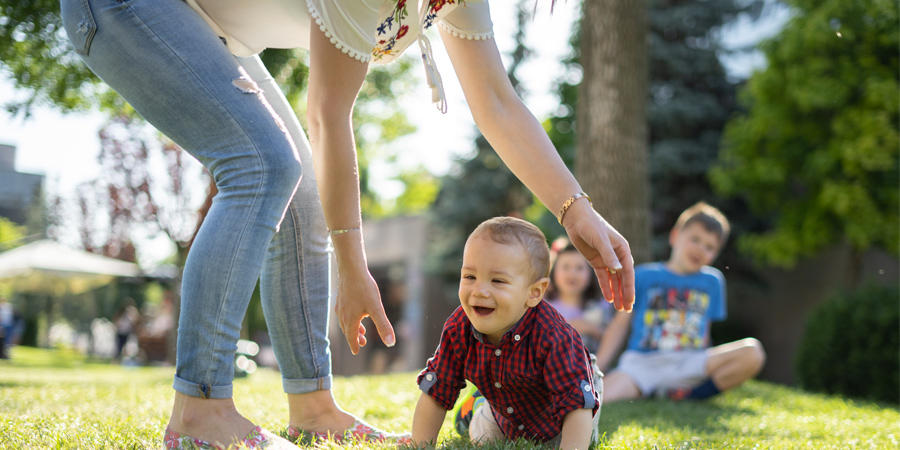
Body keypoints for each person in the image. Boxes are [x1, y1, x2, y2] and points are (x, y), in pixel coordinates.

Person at [59, 1, 634, 448]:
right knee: (264, 162)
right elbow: (328, 115)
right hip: (127, 8)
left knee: (300, 186)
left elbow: (496, 102)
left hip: (209, 26)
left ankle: (312, 409)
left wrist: (575, 211)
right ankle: (200, 411)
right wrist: (353, 270)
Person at [410, 217, 602, 450]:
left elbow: (576, 405)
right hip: (505, 414)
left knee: (580, 439)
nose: (479, 291)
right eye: (470, 276)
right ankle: (474, 409)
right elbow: (436, 391)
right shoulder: (459, 328)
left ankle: (477, 405)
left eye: (497, 281)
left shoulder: (554, 336)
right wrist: (419, 446)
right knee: (483, 440)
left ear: (534, 292)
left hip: (563, 416)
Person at [596, 202, 766, 403]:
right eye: (695, 239)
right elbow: (619, 326)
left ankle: (689, 395)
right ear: (675, 236)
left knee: (753, 352)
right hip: (642, 365)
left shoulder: (713, 281)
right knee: (598, 397)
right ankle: (655, 390)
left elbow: (705, 331)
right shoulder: (643, 276)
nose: (701, 249)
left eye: (709, 247)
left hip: (689, 363)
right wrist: (598, 368)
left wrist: (707, 364)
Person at [547, 243, 615, 354]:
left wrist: (591, 328)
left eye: (579, 268)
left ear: (591, 273)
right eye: (565, 267)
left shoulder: (601, 306)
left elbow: (612, 337)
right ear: (554, 271)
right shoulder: (544, 305)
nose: (572, 274)